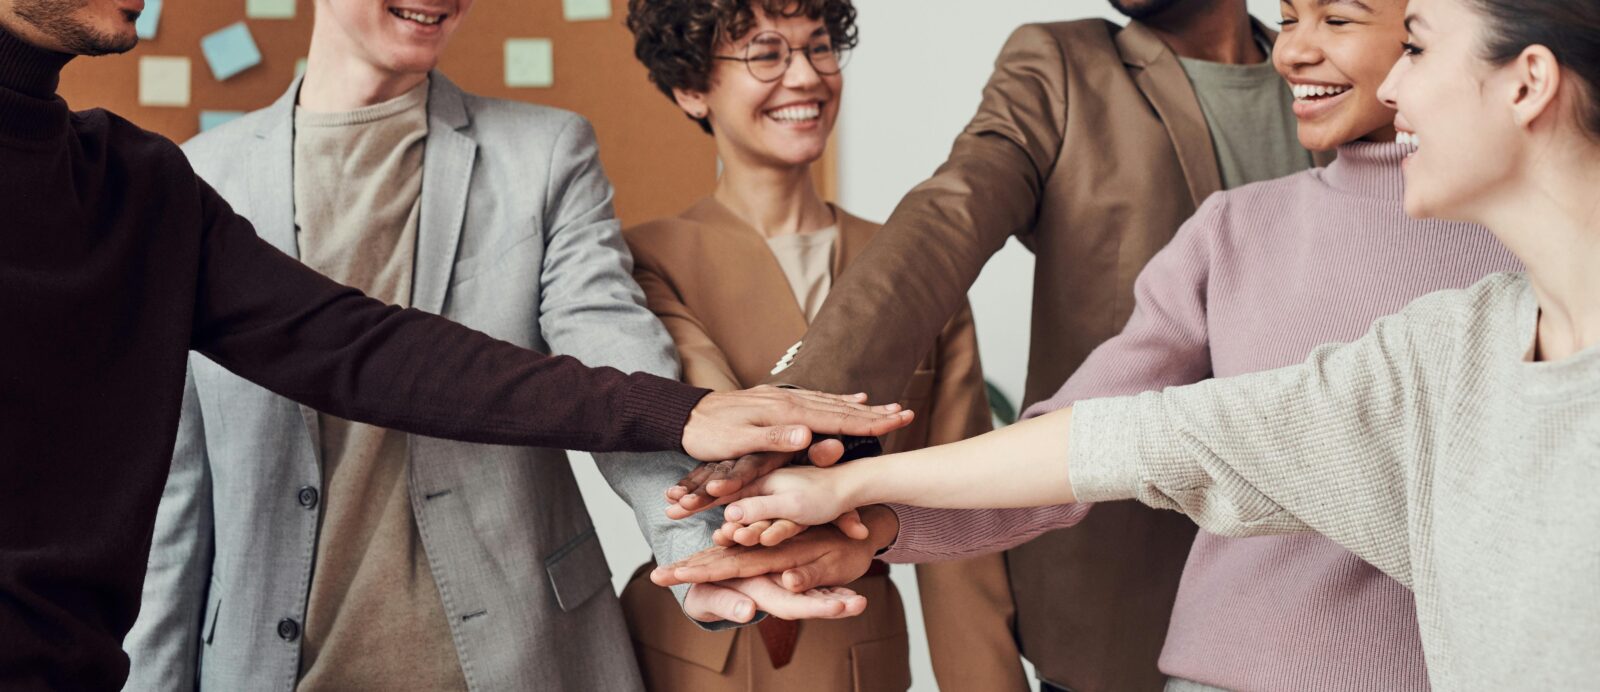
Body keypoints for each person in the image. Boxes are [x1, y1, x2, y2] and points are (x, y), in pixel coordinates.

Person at [670, 0, 1600, 687]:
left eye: (1380, 34)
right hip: (1167, 633)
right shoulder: (1399, 323)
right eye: (1298, 17)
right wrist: (838, 476)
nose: (1310, 49)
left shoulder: (1480, 280)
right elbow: (1124, 420)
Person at [0, 0, 913, 688]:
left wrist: (697, 496)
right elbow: (177, 502)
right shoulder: (200, 170)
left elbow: (369, 349)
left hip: (512, 656)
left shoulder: (137, 187)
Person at [662, 0, 1320, 688]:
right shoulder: (1064, 66)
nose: (800, 76)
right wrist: (801, 403)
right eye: (766, 55)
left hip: (1334, 596)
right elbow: (951, 215)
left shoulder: (1336, 74)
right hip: (1123, 593)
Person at [618, 1, 1008, 689]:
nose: (805, 76)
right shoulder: (644, 260)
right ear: (691, 88)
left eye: (820, 48)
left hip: (859, 651)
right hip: (686, 652)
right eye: (766, 54)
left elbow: (964, 510)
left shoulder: (913, 262)